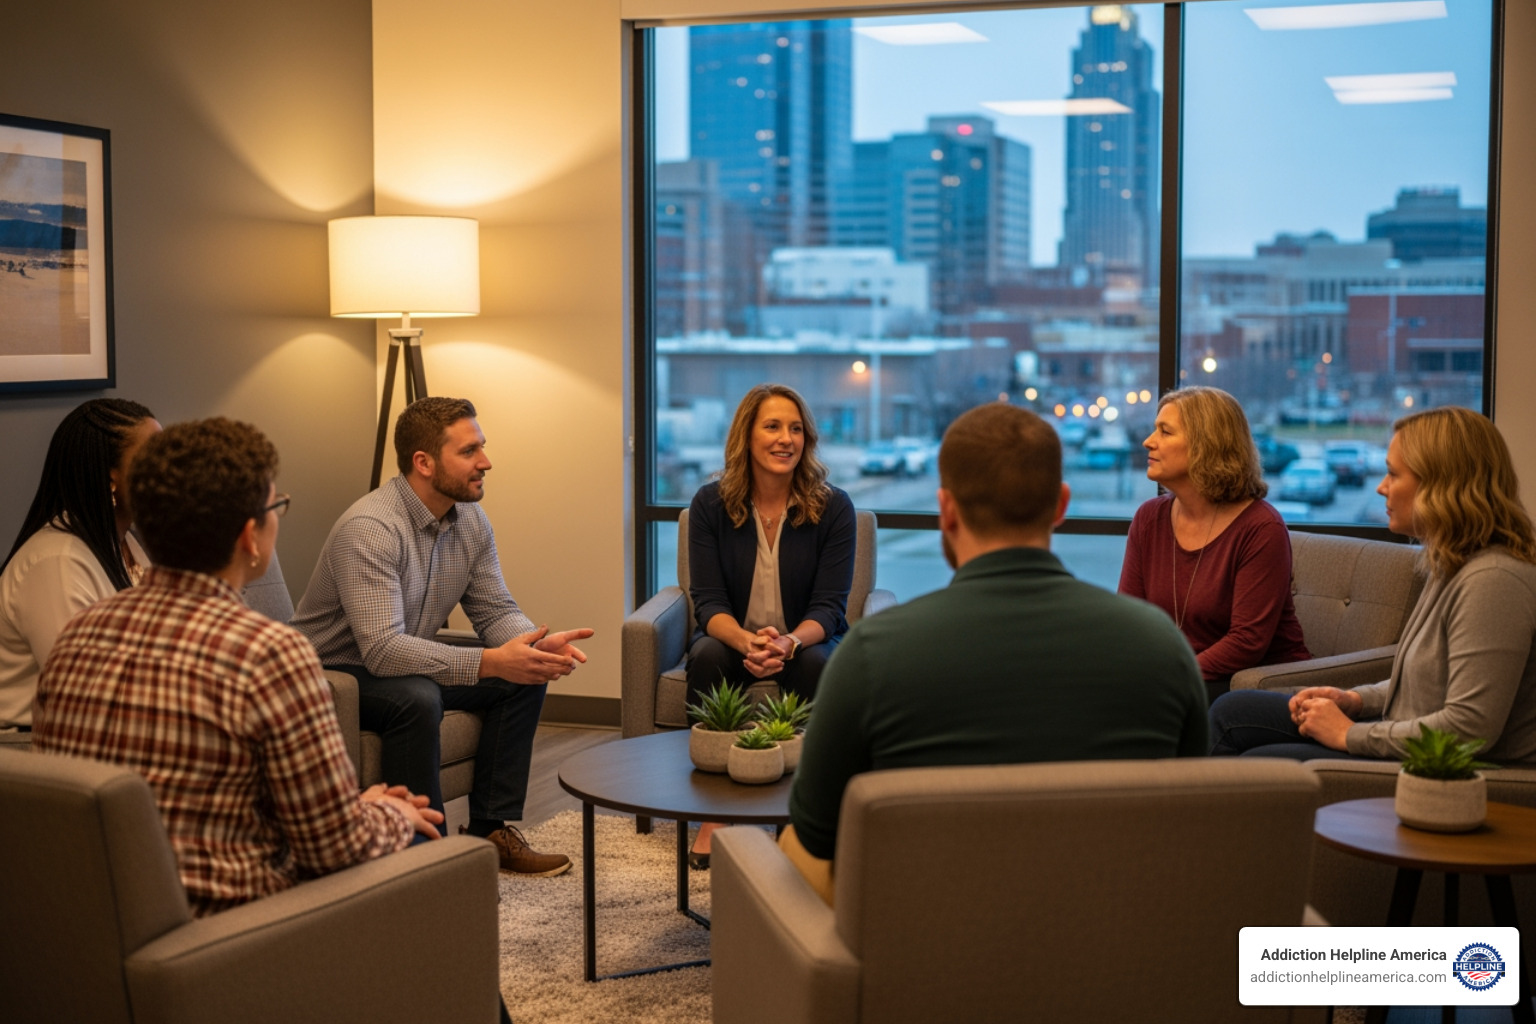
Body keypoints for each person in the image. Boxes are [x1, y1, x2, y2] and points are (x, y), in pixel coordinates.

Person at [782, 403, 1207, 904]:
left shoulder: (873, 655)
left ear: (947, 510)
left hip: (930, 948)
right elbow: (1188, 820)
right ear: (1060, 506)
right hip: (1112, 941)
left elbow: (817, 833)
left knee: (791, 847)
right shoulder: (1160, 646)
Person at [33, 418, 442, 916]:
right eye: (276, 507)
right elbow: (336, 849)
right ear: (251, 537)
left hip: (98, 922)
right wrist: (389, 813)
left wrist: (355, 810)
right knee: (431, 854)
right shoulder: (267, 653)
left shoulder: (79, 635)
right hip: (229, 939)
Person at [292, 396, 593, 877]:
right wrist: (492, 662)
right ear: (424, 463)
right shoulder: (371, 528)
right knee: (416, 696)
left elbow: (493, 607)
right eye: (470, 451)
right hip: (334, 674)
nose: (486, 462)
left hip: (398, 657)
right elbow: (383, 651)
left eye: (483, 447)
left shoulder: (469, 519)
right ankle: (420, 859)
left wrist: (531, 647)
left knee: (524, 675)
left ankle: (488, 832)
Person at [1209, 406, 1536, 764]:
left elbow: (1469, 730)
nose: (1381, 487)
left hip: (1443, 770)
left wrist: (1349, 734)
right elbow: (1420, 689)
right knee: (1233, 709)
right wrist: (1356, 700)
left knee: (1264, 759)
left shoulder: (1494, 581)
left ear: (1441, 485)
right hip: (1399, 729)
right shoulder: (1452, 561)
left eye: (1393, 474)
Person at [684, 383, 856, 867]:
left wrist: (787, 642)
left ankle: (799, 813)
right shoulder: (709, 505)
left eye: (796, 428)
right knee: (707, 656)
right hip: (732, 639)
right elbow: (708, 601)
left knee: (818, 664)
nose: (786, 439)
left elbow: (830, 607)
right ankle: (715, 812)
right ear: (747, 436)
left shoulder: (833, 507)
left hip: (803, 641)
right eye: (773, 426)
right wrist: (744, 642)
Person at [1118, 386, 1310, 702]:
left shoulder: (1261, 527)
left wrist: (1168, 678)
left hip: (1254, 687)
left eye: (1165, 432)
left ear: (1205, 446)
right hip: (1180, 679)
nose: (1148, 441)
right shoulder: (1148, 518)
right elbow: (1130, 620)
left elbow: (1246, 642)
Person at [0, 398, 160, 732]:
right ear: (111, 477)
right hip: (27, 755)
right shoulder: (56, 562)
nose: (170, 471)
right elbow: (87, 693)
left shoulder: (126, 542)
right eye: (155, 458)